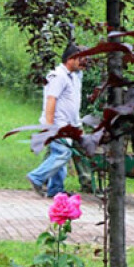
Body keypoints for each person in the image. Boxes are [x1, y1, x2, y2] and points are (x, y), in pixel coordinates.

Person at [27, 45, 86, 199]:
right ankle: (37, 177)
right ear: (70, 59)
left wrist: (78, 125)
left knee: (59, 156)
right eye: (81, 59)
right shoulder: (58, 76)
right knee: (63, 153)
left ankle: (56, 190)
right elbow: (51, 99)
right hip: (57, 124)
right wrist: (49, 126)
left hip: (69, 125)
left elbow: (74, 102)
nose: (84, 62)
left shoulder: (76, 76)